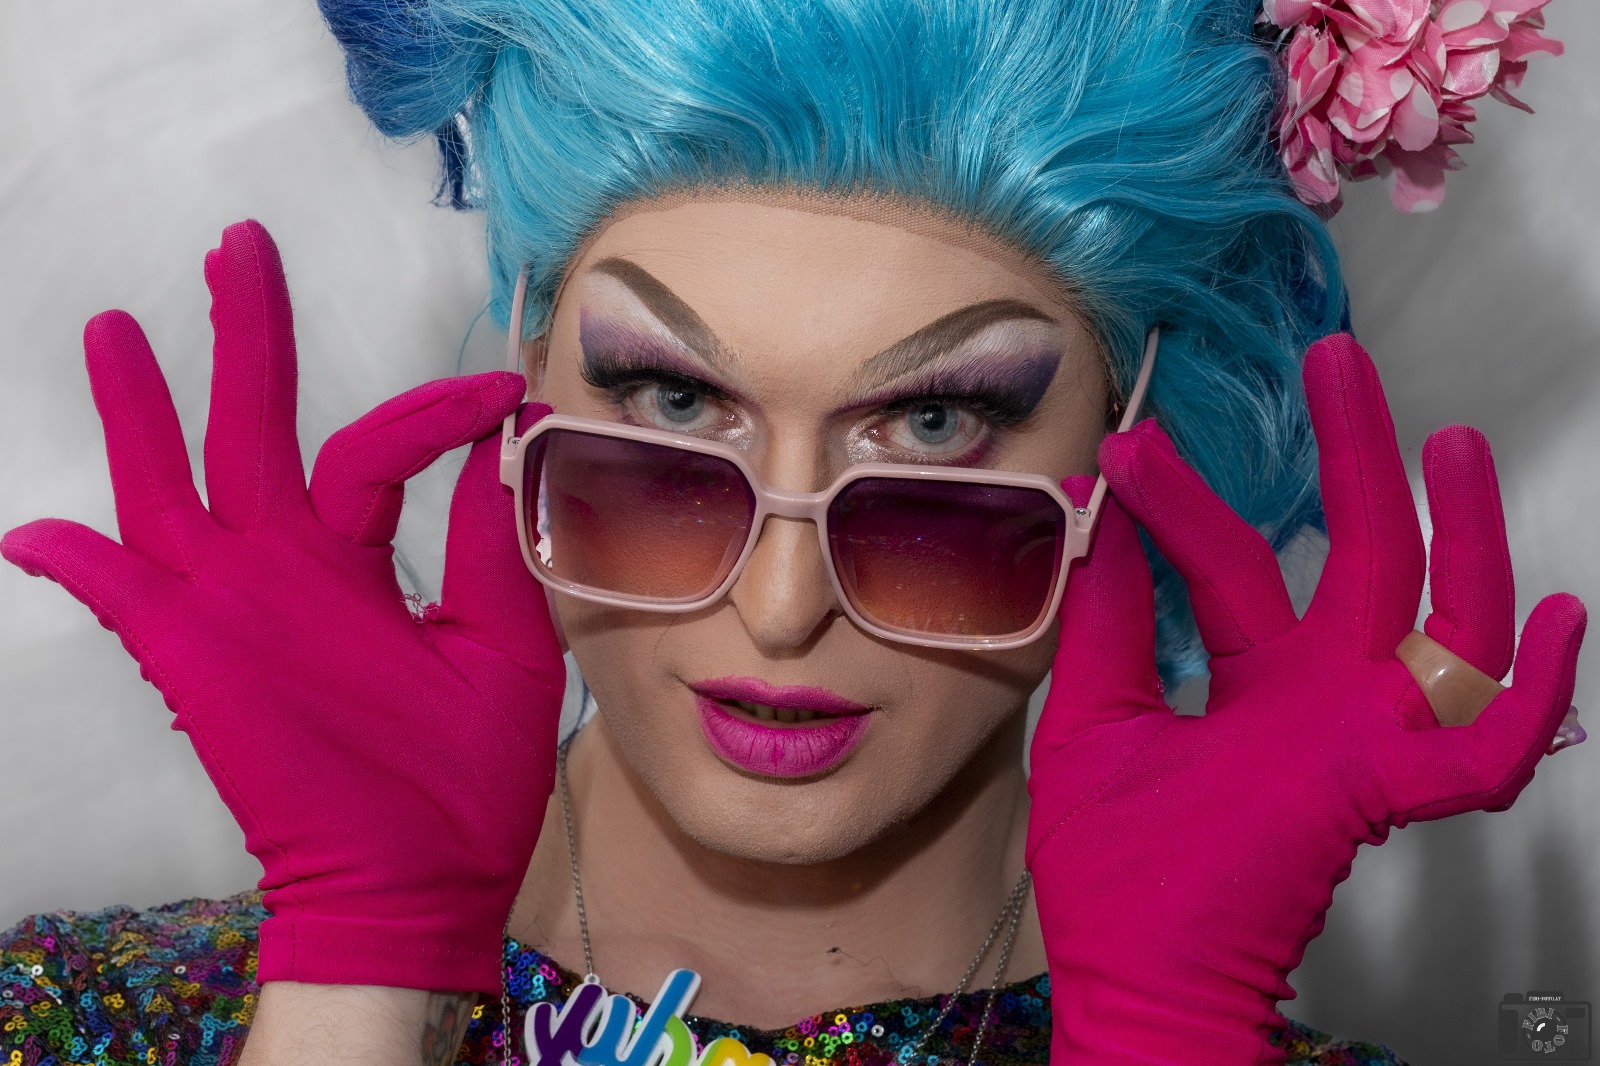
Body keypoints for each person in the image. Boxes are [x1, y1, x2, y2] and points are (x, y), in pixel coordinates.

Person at [0, 1, 1583, 1065]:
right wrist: (357, 970)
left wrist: (1164, 1041)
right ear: (526, 378)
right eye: (675, 403)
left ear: (1133, 440)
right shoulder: (71, 1016)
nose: (777, 605)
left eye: (937, 423)